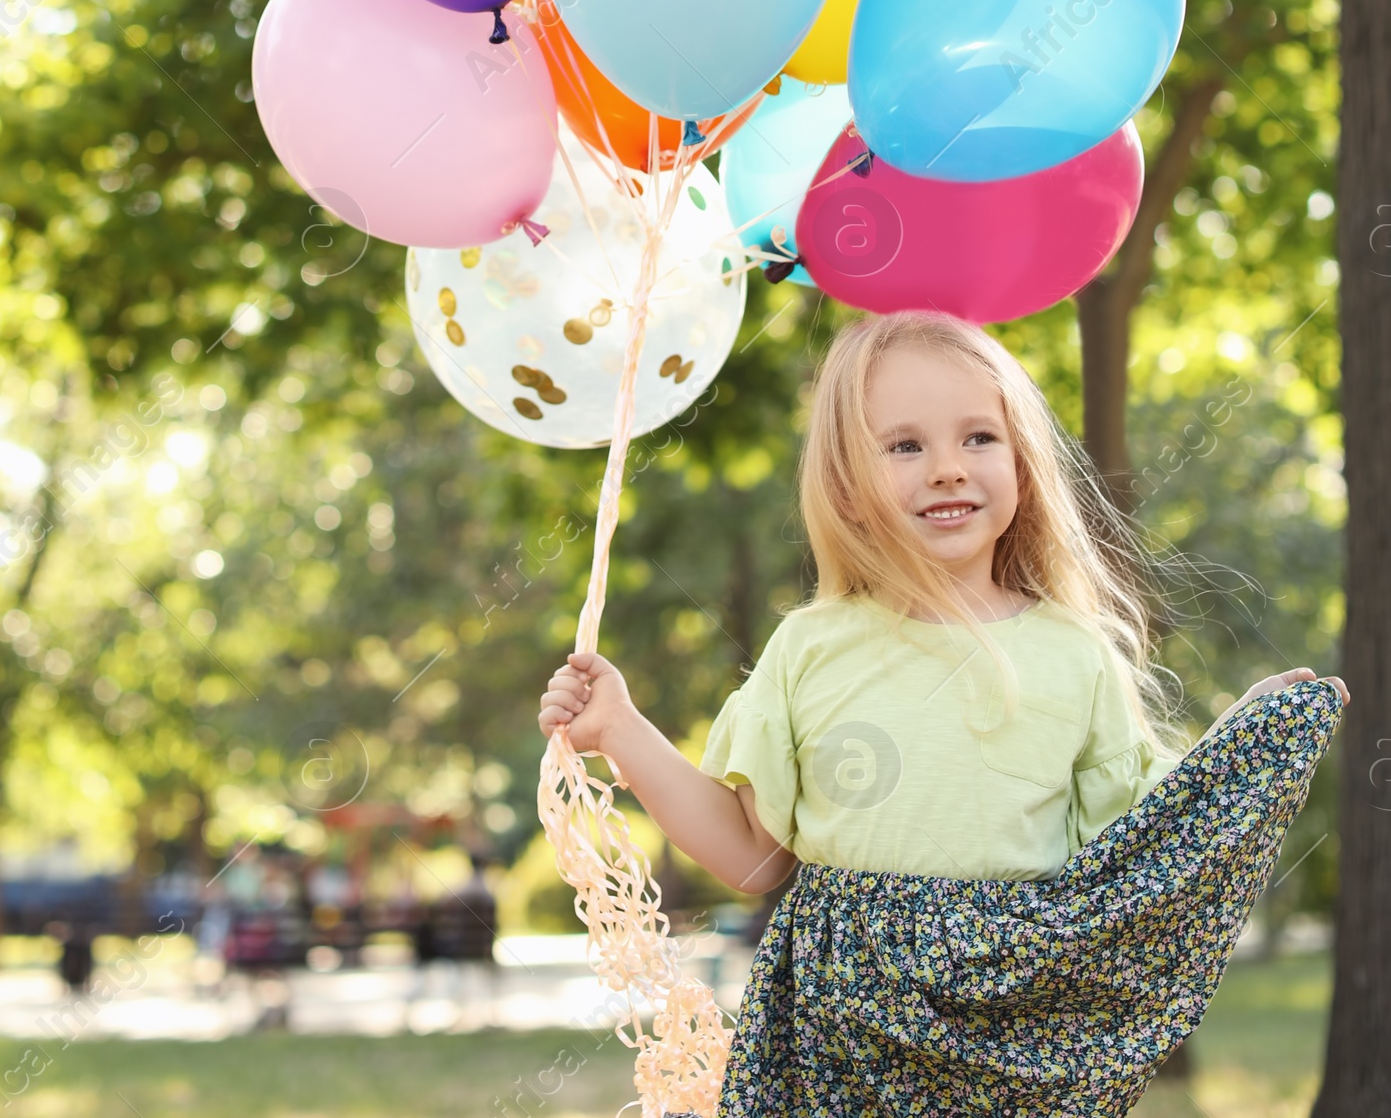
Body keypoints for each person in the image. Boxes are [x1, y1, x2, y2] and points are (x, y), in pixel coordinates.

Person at [539, 311, 1346, 1117]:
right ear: (848, 486)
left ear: (1024, 463)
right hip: (837, 1031)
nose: (948, 469)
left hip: (1011, 1021)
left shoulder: (1073, 650)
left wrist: (1238, 746)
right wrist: (621, 730)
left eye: (979, 438)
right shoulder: (812, 646)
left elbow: (1137, 842)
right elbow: (752, 857)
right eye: (905, 445)